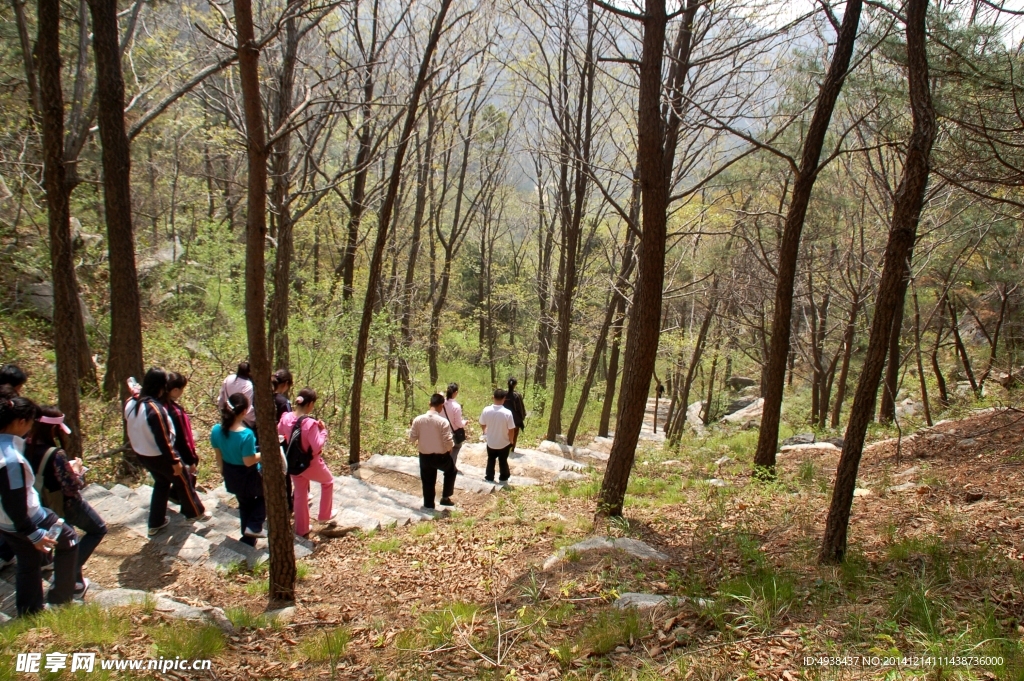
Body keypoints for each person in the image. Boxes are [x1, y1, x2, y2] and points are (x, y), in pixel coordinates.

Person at [0, 395, 79, 616]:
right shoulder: (11, 460)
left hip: (5, 522)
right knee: (69, 539)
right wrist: (33, 534)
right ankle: (61, 600)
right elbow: (14, 502)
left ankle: (29, 611)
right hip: (28, 518)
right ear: (21, 421)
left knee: (28, 563)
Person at [25, 407, 105, 595]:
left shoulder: (24, 444)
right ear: (53, 429)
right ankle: (67, 574)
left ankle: (75, 582)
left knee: (66, 538)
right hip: (68, 504)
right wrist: (78, 471)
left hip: (42, 502)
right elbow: (72, 486)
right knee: (98, 529)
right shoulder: (55, 454)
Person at [125, 368, 206, 536]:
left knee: (161, 483)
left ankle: (156, 522)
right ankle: (195, 512)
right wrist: (175, 461)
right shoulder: (154, 409)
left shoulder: (132, 403)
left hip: (142, 453)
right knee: (184, 482)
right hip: (160, 456)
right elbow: (164, 440)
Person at [211, 393, 265, 546]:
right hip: (248, 475)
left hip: (230, 473)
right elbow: (248, 461)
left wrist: (223, 471)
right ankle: (254, 526)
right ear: (244, 411)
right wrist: (264, 453)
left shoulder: (216, 430)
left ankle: (247, 539)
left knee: (244, 504)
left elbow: (218, 455)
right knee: (265, 496)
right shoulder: (246, 435)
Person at [278, 388, 333, 537]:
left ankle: (301, 529)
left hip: (293, 463)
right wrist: (323, 431)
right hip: (310, 463)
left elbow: (279, 433)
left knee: (300, 493)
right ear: (310, 404)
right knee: (328, 482)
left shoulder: (286, 417)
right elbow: (317, 446)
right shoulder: (310, 424)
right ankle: (324, 515)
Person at [409, 394, 455, 510]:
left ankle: (428, 505)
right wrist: (449, 449)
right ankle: (445, 497)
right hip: (441, 456)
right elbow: (448, 441)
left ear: (429, 404)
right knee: (451, 471)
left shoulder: (418, 420)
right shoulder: (442, 422)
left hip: (424, 455)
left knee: (428, 480)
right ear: (441, 406)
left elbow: (412, 438)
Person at [164, 372, 199, 493]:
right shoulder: (175, 412)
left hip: (165, 452)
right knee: (186, 485)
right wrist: (191, 460)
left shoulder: (159, 405)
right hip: (179, 454)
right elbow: (182, 439)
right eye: (181, 389)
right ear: (174, 390)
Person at [479, 388, 516, 483]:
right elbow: (511, 429)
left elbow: (482, 422)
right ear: (504, 398)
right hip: (503, 442)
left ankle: (489, 477)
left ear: (493, 397)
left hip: (491, 441)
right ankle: (504, 477)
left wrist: (485, 430)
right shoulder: (507, 413)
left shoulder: (486, 410)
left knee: (491, 459)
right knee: (503, 460)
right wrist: (511, 440)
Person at [271, 369, 295, 511]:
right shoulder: (283, 402)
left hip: (259, 438)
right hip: (281, 441)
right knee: (284, 471)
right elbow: (288, 424)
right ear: (285, 384)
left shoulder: (260, 396)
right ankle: (287, 503)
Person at [217, 362, 255, 429]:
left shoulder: (228, 378)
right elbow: (247, 409)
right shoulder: (248, 385)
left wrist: (225, 412)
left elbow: (221, 400)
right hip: (242, 423)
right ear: (249, 372)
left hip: (227, 419)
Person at [442, 383, 467, 469]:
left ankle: (443, 465)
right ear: (455, 392)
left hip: (442, 431)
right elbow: (458, 423)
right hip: (453, 432)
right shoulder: (456, 406)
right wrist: (465, 422)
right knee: (456, 447)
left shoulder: (441, 403)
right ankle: (450, 467)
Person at [504, 378, 527, 451]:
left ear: (507, 384)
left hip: (504, 418)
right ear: (515, 385)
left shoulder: (503, 394)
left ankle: (504, 448)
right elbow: (520, 407)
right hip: (515, 419)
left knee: (505, 433)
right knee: (514, 434)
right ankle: (512, 448)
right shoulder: (517, 395)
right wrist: (522, 417)